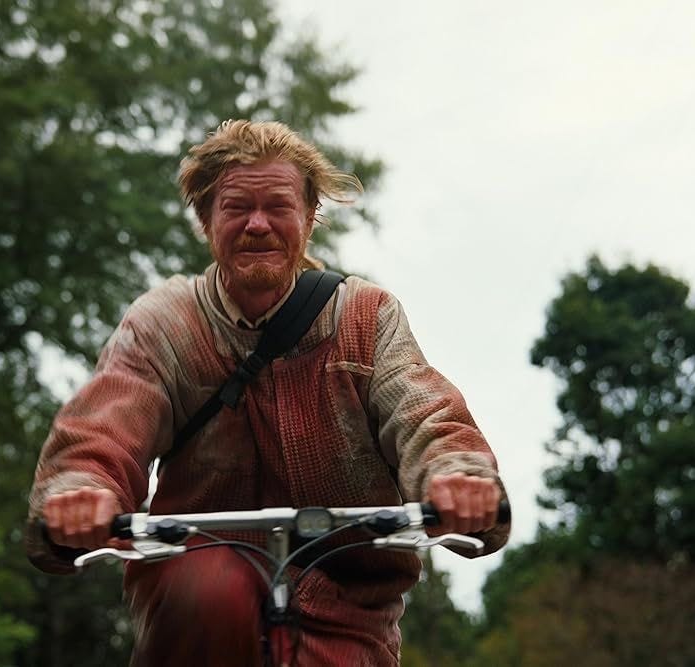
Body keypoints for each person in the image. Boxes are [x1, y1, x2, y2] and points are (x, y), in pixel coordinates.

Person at [26, 119, 510, 665]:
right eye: (237, 208)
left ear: (309, 216)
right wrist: (83, 491)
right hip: (197, 598)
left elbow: (424, 412)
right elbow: (105, 427)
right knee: (213, 590)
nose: (258, 225)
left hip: (351, 603)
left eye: (278, 206)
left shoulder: (364, 316)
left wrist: (456, 478)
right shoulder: (164, 324)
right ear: (205, 220)